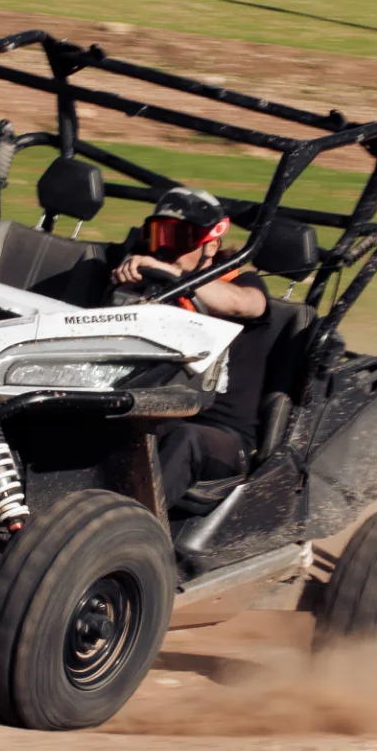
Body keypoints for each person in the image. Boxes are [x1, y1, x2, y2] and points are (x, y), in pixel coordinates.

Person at [111, 187, 274, 510]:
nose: (166, 248)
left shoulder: (246, 284)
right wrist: (123, 289)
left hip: (222, 437)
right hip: (160, 412)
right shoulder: (146, 279)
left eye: (180, 238)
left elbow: (244, 305)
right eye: (160, 235)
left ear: (212, 244)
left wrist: (175, 275)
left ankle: (125, 534)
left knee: (185, 441)